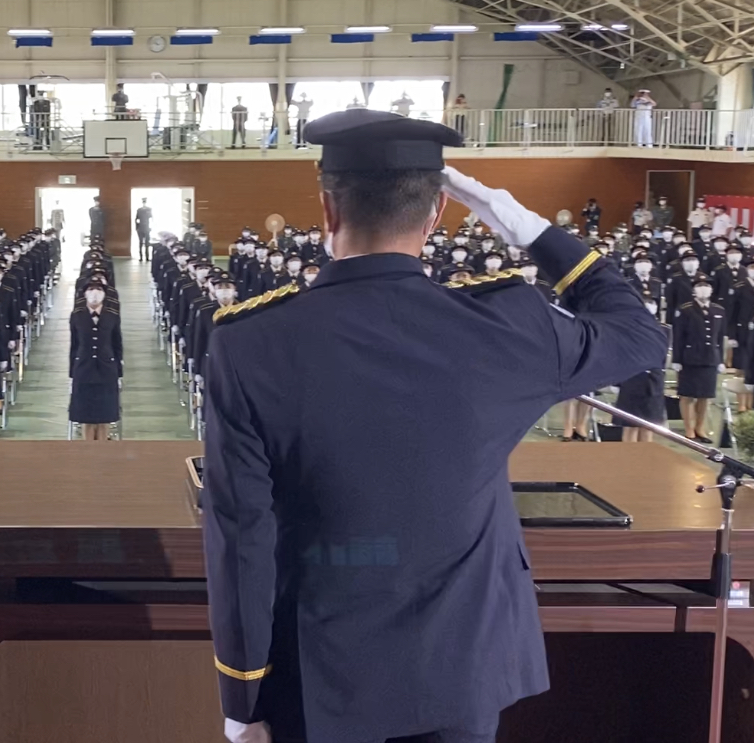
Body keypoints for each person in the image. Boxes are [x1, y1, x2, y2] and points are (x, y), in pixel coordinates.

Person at [202, 108, 664, 743]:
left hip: (324, 674)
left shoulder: (250, 343)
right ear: (437, 215)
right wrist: (530, 229)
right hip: (466, 666)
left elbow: (242, 535)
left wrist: (243, 695)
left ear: (328, 209)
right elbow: (639, 334)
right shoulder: (508, 326)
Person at [671, 274, 727, 443]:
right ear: (694, 290)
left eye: (707, 286)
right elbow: (679, 336)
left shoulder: (719, 310)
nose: (703, 288)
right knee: (687, 395)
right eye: (699, 286)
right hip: (690, 358)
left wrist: (721, 360)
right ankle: (689, 430)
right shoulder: (685, 309)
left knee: (705, 395)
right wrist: (677, 359)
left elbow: (720, 338)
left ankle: (700, 429)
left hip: (710, 358)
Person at [68, 278, 123, 440]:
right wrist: (72, 373)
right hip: (83, 369)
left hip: (107, 369)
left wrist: (119, 373)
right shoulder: (77, 316)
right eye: (90, 290)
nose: (94, 293)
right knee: (87, 415)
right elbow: (74, 346)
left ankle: (103, 446)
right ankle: (87, 447)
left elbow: (117, 345)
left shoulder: (112, 316)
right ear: (84, 294)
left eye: (99, 290)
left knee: (104, 414)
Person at [615, 296, 669, 443]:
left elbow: (663, 357)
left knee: (648, 427)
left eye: (652, 303)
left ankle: (645, 462)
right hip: (632, 380)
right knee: (629, 426)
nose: (649, 306)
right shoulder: (628, 328)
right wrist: (616, 381)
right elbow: (621, 355)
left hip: (653, 382)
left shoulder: (664, 329)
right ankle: (627, 462)